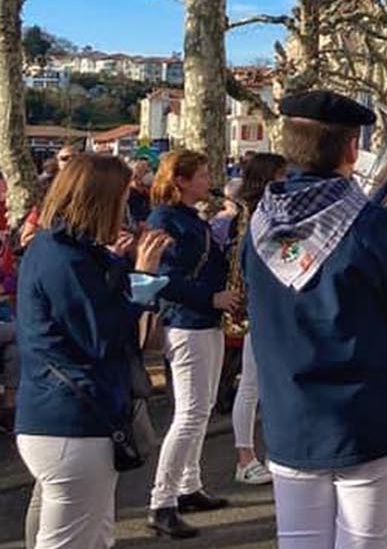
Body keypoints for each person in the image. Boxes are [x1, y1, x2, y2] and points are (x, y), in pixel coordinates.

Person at [244, 90, 387, 549]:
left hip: (290, 415)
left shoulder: (258, 225)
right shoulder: (375, 227)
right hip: (366, 416)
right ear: (353, 148)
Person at [16, 154, 172, 549]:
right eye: (123, 198)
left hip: (61, 415)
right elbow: (103, 335)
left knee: (91, 535)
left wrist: (121, 266)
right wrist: (144, 280)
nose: (128, 206)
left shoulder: (60, 249)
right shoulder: (63, 256)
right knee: (72, 540)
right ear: (102, 200)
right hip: (74, 419)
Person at [148, 149, 239, 539]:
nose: (208, 181)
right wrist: (211, 297)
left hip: (206, 320)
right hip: (186, 323)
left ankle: (189, 485)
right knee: (189, 412)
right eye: (201, 175)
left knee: (200, 411)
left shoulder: (189, 217)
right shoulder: (165, 220)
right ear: (180, 181)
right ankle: (161, 500)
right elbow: (166, 278)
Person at [220, 152, 288, 487]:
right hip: (254, 306)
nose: (287, 182)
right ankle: (244, 457)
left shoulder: (264, 211)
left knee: (264, 384)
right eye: (281, 176)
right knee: (250, 384)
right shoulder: (253, 213)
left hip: (266, 304)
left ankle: (269, 451)